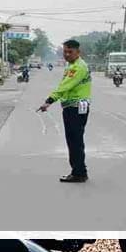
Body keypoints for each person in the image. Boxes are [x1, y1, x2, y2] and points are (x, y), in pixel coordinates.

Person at [38, 39, 92, 183]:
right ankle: (79, 171)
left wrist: (49, 101)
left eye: (70, 52)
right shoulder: (71, 66)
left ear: (78, 52)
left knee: (75, 141)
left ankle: (79, 173)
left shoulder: (78, 67)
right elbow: (64, 86)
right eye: (65, 52)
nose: (67, 55)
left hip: (76, 108)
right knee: (74, 141)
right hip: (71, 107)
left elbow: (64, 87)